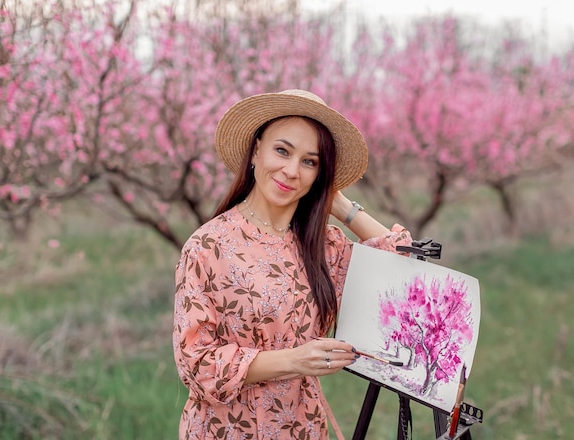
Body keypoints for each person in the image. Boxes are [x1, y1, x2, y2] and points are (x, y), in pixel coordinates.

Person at [173, 89, 412, 439]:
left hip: (302, 427)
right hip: (226, 429)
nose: (291, 170)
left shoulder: (323, 245)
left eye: (309, 162)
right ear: (256, 150)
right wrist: (296, 360)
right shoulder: (209, 246)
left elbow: (405, 268)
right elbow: (196, 365)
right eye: (282, 151)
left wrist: (342, 206)